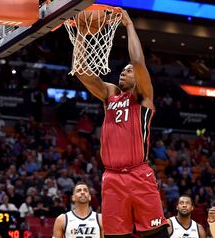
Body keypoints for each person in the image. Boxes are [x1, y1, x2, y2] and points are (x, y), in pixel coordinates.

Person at [74, 8, 168, 237]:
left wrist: (129, 25)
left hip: (139, 173)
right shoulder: (110, 95)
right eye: (122, 71)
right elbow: (82, 72)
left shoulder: (143, 97)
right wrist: (80, 33)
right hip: (112, 177)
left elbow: (137, 61)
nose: (123, 73)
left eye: (128, 72)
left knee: (155, 233)